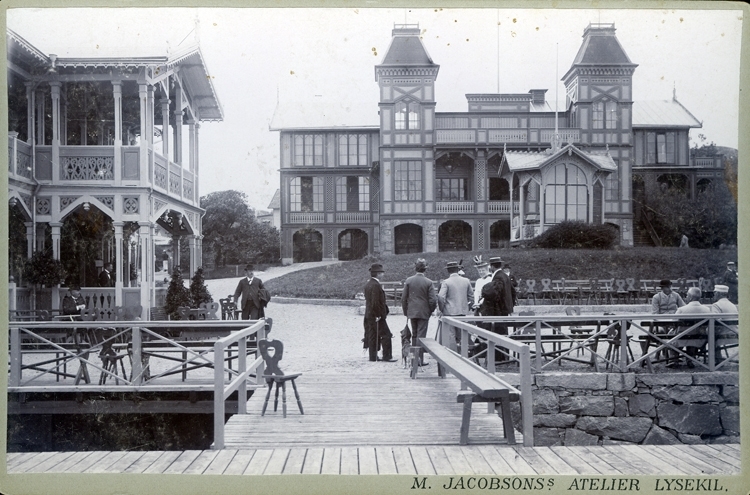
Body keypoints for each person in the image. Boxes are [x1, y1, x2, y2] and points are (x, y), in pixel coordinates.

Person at [402, 258, 437, 366]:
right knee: (421, 337)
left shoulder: (409, 280)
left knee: (414, 335)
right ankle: (419, 360)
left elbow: (403, 298)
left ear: (415, 268)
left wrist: (406, 312)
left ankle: (414, 359)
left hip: (412, 312)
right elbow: (433, 300)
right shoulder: (429, 282)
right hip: (423, 313)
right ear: (425, 269)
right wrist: (431, 310)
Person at [671, 287, 712, 368]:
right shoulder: (707, 310)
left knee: (675, 334)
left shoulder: (681, 310)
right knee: (693, 334)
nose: (686, 297)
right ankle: (690, 359)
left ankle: (674, 360)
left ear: (690, 297)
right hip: (699, 340)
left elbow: (674, 323)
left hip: (681, 338)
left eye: (687, 295)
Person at [438, 260, 474, 350]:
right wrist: (467, 307)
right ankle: (463, 353)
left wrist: (442, 309)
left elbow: (441, 297)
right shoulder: (466, 281)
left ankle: (452, 354)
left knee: (450, 335)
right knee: (462, 334)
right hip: (462, 311)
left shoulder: (446, 282)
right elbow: (471, 296)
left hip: (449, 312)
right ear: (458, 269)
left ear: (448, 271)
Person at [363, 263, 394, 362]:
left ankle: (373, 356)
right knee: (386, 334)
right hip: (376, 315)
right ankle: (387, 356)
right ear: (378, 274)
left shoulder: (368, 284)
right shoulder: (376, 285)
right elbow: (375, 302)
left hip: (369, 314)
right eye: (382, 272)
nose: (383, 274)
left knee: (373, 335)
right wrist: (378, 314)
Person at [479, 256, 514, 335]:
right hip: (505, 308)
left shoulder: (498, 277)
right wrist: (510, 305)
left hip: (499, 309)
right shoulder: (505, 275)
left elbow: (496, 293)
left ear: (492, 266)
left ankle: (501, 343)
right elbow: (513, 292)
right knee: (503, 329)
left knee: (499, 331)